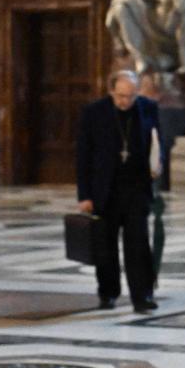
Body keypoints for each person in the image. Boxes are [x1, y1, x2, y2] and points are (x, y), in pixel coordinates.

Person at [76, 70, 164, 313]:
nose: (126, 101)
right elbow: (83, 156)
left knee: (138, 246)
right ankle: (108, 293)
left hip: (136, 189)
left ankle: (142, 295)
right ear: (111, 91)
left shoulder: (147, 108)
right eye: (121, 96)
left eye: (131, 96)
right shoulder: (94, 112)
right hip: (105, 190)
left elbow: (157, 142)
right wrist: (84, 195)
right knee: (105, 248)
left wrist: (158, 165)